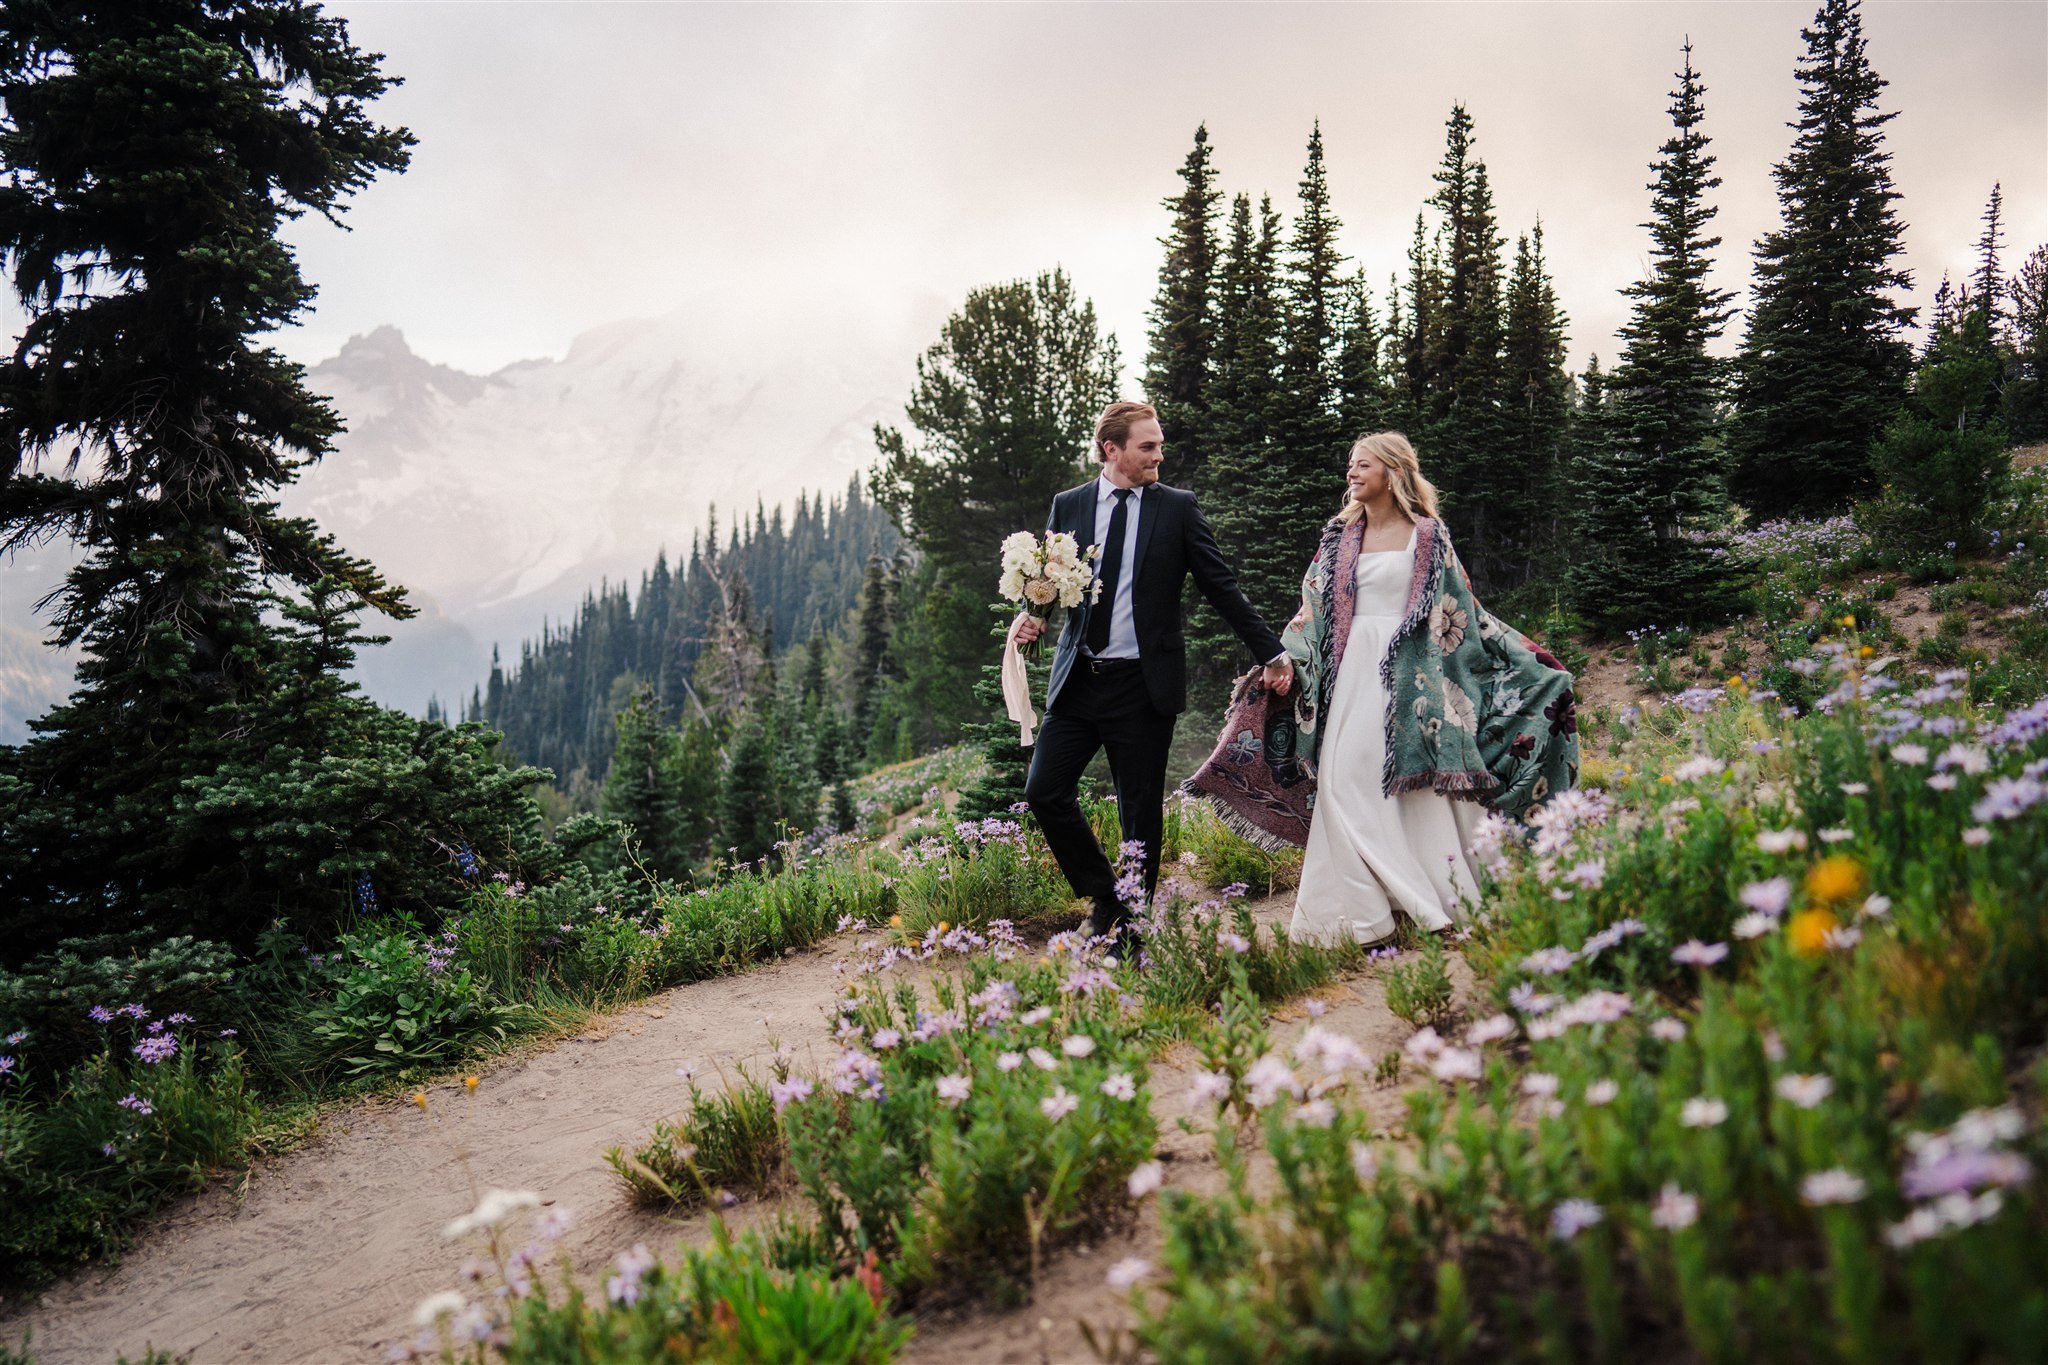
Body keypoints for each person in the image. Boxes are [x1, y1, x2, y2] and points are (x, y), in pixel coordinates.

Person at [1182, 431, 1579, 946]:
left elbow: (1465, 612)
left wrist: (1533, 661)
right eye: (1350, 464)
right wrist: (1282, 659)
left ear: (1392, 473)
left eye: (1362, 465)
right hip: (1351, 673)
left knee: (1414, 791)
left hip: (1415, 676)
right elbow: (1312, 609)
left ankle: (1428, 896)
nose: (1351, 473)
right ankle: (1363, 917)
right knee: (1341, 781)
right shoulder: (1339, 538)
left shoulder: (1429, 536)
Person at [1016, 401, 1292, 954]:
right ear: (1110, 449)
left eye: (1160, 444)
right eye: (1148, 446)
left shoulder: (1177, 509)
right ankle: (1104, 896)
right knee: (1045, 792)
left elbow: (1222, 586)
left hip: (1144, 687)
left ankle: (1134, 934)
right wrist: (1034, 614)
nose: (1159, 455)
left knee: (1138, 809)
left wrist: (1273, 653)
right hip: (1078, 681)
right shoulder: (1068, 506)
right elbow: (1051, 581)